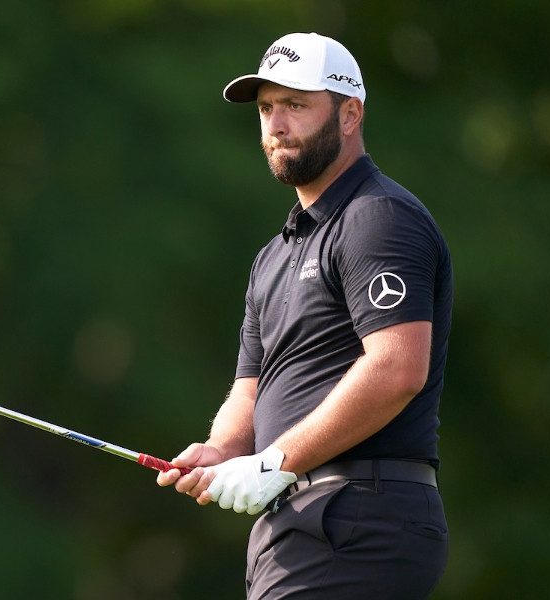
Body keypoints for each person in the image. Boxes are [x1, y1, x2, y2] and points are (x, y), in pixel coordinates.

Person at [157, 32, 453, 598]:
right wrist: (221, 453)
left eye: (295, 104)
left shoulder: (378, 217)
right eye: (267, 108)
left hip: (360, 516)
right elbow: (250, 391)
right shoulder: (274, 256)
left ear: (349, 114)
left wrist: (275, 463)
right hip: (294, 526)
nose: (275, 124)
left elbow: (396, 369)